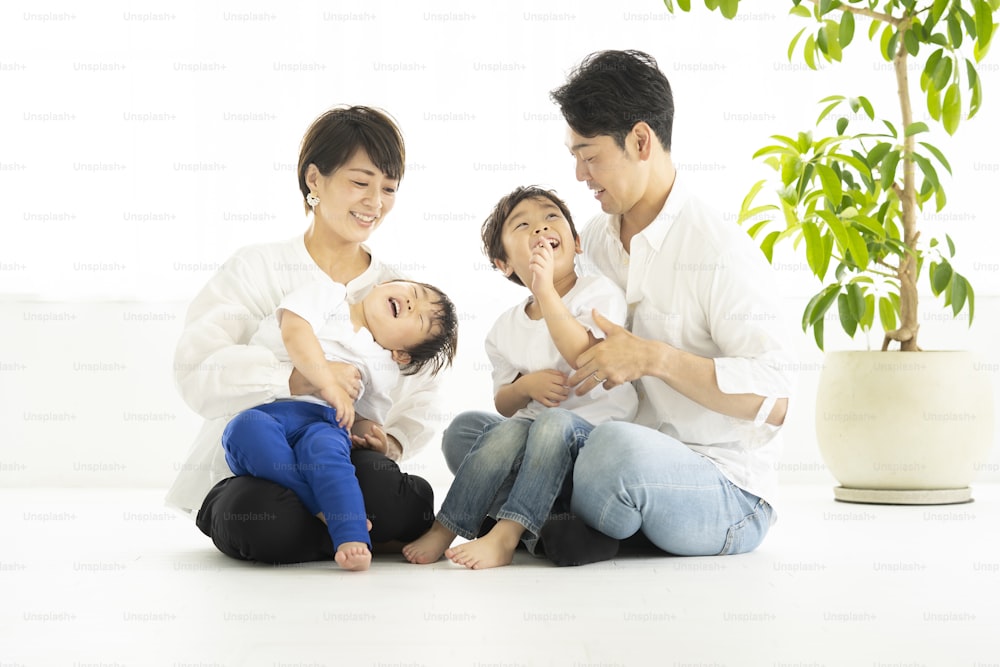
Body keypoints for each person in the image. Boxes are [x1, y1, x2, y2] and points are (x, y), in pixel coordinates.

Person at [441, 50, 797, 566]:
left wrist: (654, 359)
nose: (579, 174)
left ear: (640, 141)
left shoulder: (717, 250)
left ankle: (553, 524)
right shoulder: (594, 240)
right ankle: (572, 525)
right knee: (472, 438)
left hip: (718, 484)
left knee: (611, 456)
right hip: (595, 451)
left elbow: (777, 399)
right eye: (574, 156)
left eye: (589, 155)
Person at [166, 105, 443, 564]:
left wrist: (387, 441)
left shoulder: (398, 292)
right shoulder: (257, 267)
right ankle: (349, 527)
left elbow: (422, 395)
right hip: (257, 462)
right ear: (314, 180)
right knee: (255, 514)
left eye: (388, 188)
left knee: (387, 490)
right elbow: (196, 368)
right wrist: (301, 378)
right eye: (360, 182)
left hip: (336, 454)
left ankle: (336, 525)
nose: (375, 201)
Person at [403, 186, 637, 569]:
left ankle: (507, 532)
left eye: (550, 218)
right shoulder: (504, 329)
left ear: (576, 243)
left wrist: (546, 292)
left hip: (592, 440)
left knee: (551, 423)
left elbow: (587, 359)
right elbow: (504, 403)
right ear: (504, 264)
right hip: (534, 446)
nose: (541, 229)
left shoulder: (597, 293)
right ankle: (451, 525)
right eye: (523, 225)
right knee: (468, 430)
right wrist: (524, 388)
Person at [221, 278, 457, 571]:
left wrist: (374, 438)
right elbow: (295, 330)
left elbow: (360, 417)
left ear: (401, 354)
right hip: (270, 410)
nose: (411, 303)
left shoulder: (382, 366)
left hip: (323, 422)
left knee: (328, 456)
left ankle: (352, 536)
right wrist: (327, 382)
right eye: (414, 293)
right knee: (246, 429)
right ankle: (321, 509)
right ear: (382, 284)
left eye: (419, 317)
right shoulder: (329, 294)